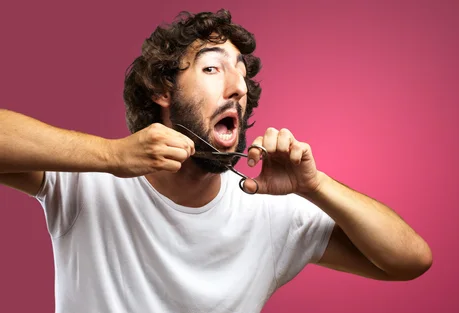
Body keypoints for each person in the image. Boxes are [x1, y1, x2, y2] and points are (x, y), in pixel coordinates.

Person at [0, 9, 432, 313]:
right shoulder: (91, 180)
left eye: (242, 74)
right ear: (162, 90)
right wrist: (111, 154)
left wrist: (315, 185)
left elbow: (409, 260)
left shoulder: (268, 211)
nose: (238, 88)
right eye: (212, 69)